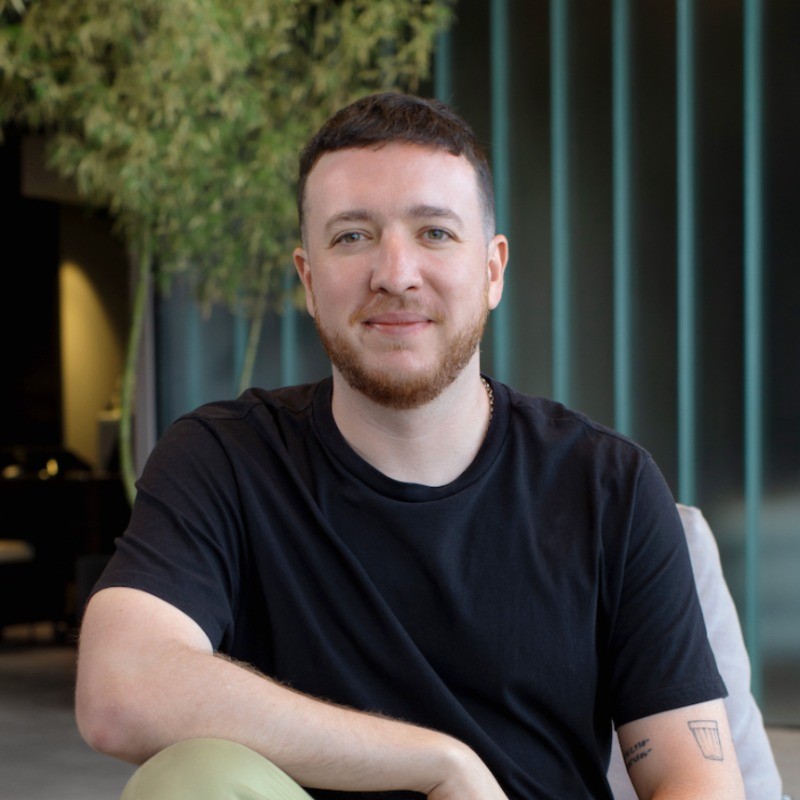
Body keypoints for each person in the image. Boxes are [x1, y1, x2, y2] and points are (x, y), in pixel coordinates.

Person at [75, 92, 745, 800]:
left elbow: (696, 781)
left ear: (492, 270)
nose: (395, 274)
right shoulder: (225, 460)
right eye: (353, 236)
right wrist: (437, 762)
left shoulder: (606, 486)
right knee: (192, 781)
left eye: (434, 233)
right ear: (308, 279)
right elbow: (121, 687)